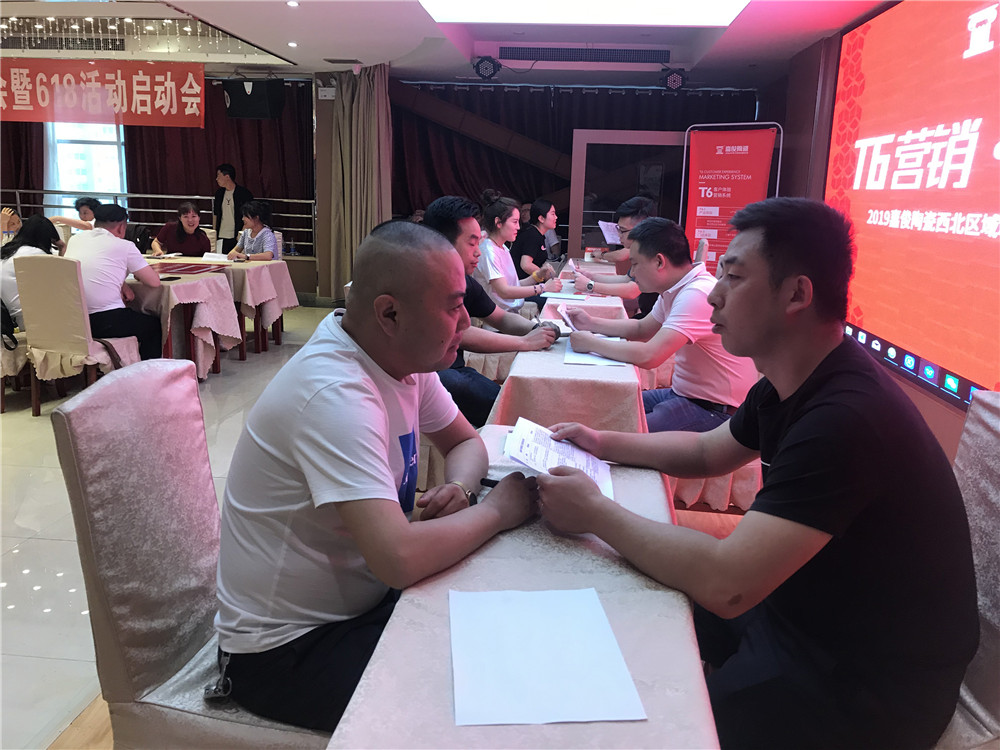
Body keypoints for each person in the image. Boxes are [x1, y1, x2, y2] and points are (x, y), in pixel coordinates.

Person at [536, 197, 979, 749]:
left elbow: (728, 585)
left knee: (659, 725)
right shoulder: (792, 380)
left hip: (865, 681)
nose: (714, 295)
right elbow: (707, 453)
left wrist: (595, 512)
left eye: (735, 276)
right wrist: (602, 442)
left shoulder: (848, 418)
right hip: (799, 610)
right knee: (632, 606)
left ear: (796, 294)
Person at [214, 221, 537, 732]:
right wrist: (497, 512)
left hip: (363, 603)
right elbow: (398, 559)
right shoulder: (336, 393)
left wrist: (461, 488)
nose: (466, 319)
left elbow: (465, 443)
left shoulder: (399, 360)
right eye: (454, 306)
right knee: (491, 694)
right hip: (287, 651)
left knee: (509, 629)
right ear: (389, 313)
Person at [569, 217, 757, 433]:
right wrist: (590, 322)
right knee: (606, 407)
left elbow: (650, 355)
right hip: (682, 394)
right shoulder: (675, 288)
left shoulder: (696, 293)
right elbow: (641, 329)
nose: (633, 273)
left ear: (659, 262)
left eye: (635, 264)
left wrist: (591, 343)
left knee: (614, 429)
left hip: (714, 410)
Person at [423, 196, 559, 427]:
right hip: (431, 374)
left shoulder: (465, 279)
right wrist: (525, 342)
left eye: (479, 243)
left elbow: (500, 317)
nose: (478, 252)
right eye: (472, 244)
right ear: (441, 243)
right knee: (507, 410)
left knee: (512, 404)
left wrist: (538, 328)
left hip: (455, 367)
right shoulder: (427, 281)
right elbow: (459, 334)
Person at [64, 204, 161, 360]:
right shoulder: (125, 246)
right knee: (153, 326)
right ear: (122, 227)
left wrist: (122, 284)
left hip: (73, 320)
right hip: (105, 320)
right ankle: (146, 371)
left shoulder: (75, 239)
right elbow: (154, 282)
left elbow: (92, 267)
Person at [475, 189, 558, 314]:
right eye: (514, 222)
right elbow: (504, 291)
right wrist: (543, 287)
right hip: (498, 318)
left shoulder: (503, 248)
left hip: (510, 314)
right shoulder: (488, 251)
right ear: (498, 222)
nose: (518, 227)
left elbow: (513, 285)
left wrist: (538, 275)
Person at [573, 197, 653, 312]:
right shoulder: (639, 250)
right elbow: (626, 279)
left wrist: (590, 285)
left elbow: (632, 291)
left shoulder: (651, 252)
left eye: (622, 230)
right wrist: (591, 276)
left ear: (640, 230)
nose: (618, 235)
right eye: (618, 229)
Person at [1, 215, 66, 329]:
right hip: (27, 318)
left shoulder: (7, 250)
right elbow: (61, 283)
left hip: (7, 315)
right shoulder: (37, 255)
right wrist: (62, 248)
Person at [510, 199, 557, 282]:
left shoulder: (537, 234)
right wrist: (546, 277)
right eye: (553, 214)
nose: (556, 217)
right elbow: (526, 265)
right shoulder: (532, 235)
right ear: (541, 218)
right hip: (520, 285)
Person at [213, 163, 254, 253]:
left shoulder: (244, 194)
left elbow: (249, 215)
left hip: (237, 234)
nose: (216, 179)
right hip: (221, 234)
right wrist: (214, 232)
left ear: (227, 176)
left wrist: (242, 233)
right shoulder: (219, 193)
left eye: (218, 176)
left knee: (236, 258)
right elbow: (215, 214)